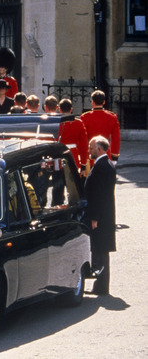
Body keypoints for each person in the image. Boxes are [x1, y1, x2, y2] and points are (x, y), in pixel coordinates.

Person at [84, 136, 117, 296]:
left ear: (99, 149)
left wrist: (95, 217)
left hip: (101, 216)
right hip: (104, 214)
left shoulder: (102, 167)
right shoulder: (105, 164)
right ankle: (101, 285)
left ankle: (101, 286)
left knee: (100, 250)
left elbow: (99, 195)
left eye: (91, 147)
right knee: (101, 249)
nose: (89, 150)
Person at [80, 90, 121, 167]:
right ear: (104, 102)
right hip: (105, 153)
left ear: (92, 102)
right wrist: (114, 156)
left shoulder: (85, 117)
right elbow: (116, 138)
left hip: (90, 155)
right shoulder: (112, 117)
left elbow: (83, 139)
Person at [58, 98, 89, 171]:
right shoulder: (79, 123)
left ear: (59, 109)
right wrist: (83, 164)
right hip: (73, 155)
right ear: (71, 109)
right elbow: (84, 145)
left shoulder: (55, 123)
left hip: (58, 155)